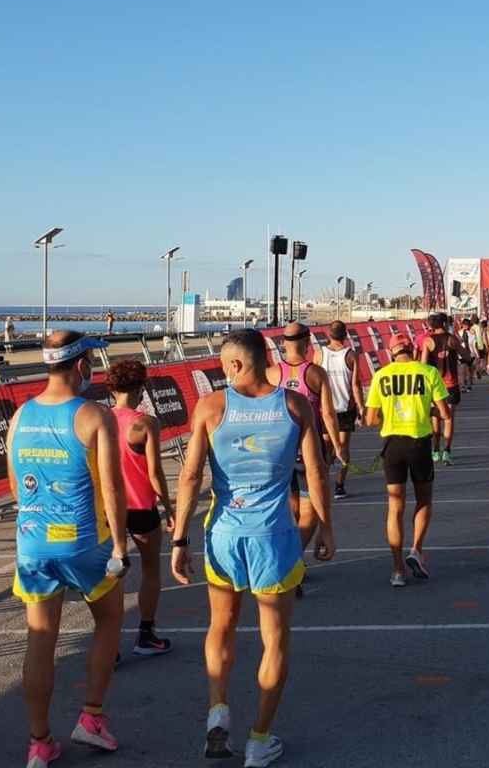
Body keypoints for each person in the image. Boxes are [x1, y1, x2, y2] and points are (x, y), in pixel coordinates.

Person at [172, 329, 332, 764]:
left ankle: (218, 711)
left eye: (225, 365)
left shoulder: (211, 407)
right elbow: (315, 474)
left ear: (237, 365)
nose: (223, 372)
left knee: (220, 626)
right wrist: (327, 529)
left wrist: (179, 537)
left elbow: (189, 477)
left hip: (224, 533)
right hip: (274, 537)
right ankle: (259, 740)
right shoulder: (295, 405)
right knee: (274, 639)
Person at [4, 331, 128, 767]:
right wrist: (119, 542)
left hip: (33, 541)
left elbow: (16, 487)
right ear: (80, 366)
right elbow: (112, 487)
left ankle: (39, 743)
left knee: (40, 640)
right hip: (82, 542)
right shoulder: (94, 415)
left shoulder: (21, 415)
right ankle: (91, 718)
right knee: (110, 619)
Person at [366, 333, 453, 588]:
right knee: (424, 499)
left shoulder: (381, 375)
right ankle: (416, 549)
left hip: (392, 443)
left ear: (391, 352)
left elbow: (370, 419)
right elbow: (445, 413)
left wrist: (390, 416)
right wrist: (426, 409)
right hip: (419, 441)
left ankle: (397, 571)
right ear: (412, 350)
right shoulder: (427, 372)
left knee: (395, 507)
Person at [107, 359, 174, 656]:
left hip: (108, 510)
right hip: (141, 507)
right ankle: (145, 635)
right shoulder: (144, 423)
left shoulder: (98, 419)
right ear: (141, 388)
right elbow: (155, 472)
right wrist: (169, 507)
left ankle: (110, 645)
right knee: (150, 570)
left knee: (111, 576)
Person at [267, 323, 338, 583]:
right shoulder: (316, 373)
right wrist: (336, 446)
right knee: (311, 512)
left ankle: (287, 560)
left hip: (279, 450)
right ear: (308, 342)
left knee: (290, 510)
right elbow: (328, 414)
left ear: (283, 343)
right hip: (309, 449)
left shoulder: (272, 374)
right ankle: (292, 559)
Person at [316, 320, 363, 499]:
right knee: (343, 448)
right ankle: (339, 485)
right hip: (344, 408)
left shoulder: (319, 354)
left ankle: (323, 483)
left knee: (327, 449)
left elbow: (313, 381)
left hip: (325, 408)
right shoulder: (351, 355)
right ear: (345, 335)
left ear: (329, 334)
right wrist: (361, 407)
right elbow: (356, 385)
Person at [418, 313, 464, 461]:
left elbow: (423, 365)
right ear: (444, 324)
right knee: (449, 419)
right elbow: (466, 355)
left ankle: (435, 450)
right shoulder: (452, 339)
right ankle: (447, 451)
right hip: (451, 384)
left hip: (434, 385)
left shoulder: (428, 341)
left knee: (435, 417)